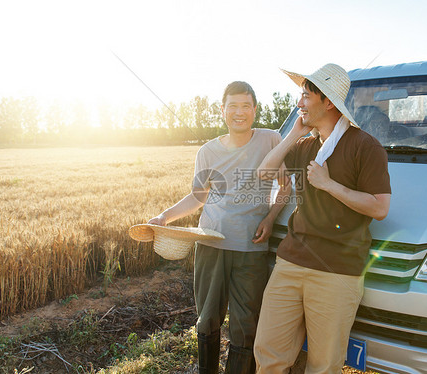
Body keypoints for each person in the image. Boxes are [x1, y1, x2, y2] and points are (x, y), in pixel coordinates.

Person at [253, 64, 392, 373]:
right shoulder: (303, 145)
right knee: (268, 353)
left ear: (327, 101)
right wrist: (293, 134)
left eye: (305, 96)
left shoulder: (365, 147)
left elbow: (380, 207)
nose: (299, 103)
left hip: (337, 272)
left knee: (323, 365)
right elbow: (264, 172)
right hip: (290, 262)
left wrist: (330, 185)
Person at [148, 81, 291, 374]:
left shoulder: (271, 140)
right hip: (211, 245)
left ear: (254, 109)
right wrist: (164, 217)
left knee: (246, 324)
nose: (239, 112)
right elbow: (198, 196)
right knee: (208, 319)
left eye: (246, 106)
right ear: (223, 110)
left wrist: (270, 218)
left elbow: (286, 187)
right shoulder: (208, 151)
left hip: (250, 248)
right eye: (233, 106)